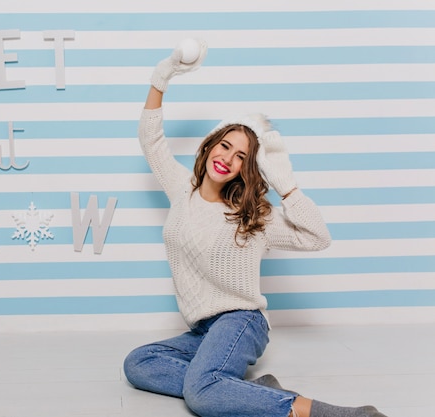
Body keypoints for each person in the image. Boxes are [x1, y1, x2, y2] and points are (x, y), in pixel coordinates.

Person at [122, 40, 388, 417]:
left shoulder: (253, 216)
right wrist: (162, 76)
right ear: (209, 145)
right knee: (139, 363)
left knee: (200, 396)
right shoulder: (182, 189)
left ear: (246, 168)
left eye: (241, 156)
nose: (227, 158)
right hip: (202, 330)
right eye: (224, 146)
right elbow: (151, 141)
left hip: (241, 321)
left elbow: (318, 237)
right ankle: (236, 389)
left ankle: (329, 413)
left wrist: (286, 184)